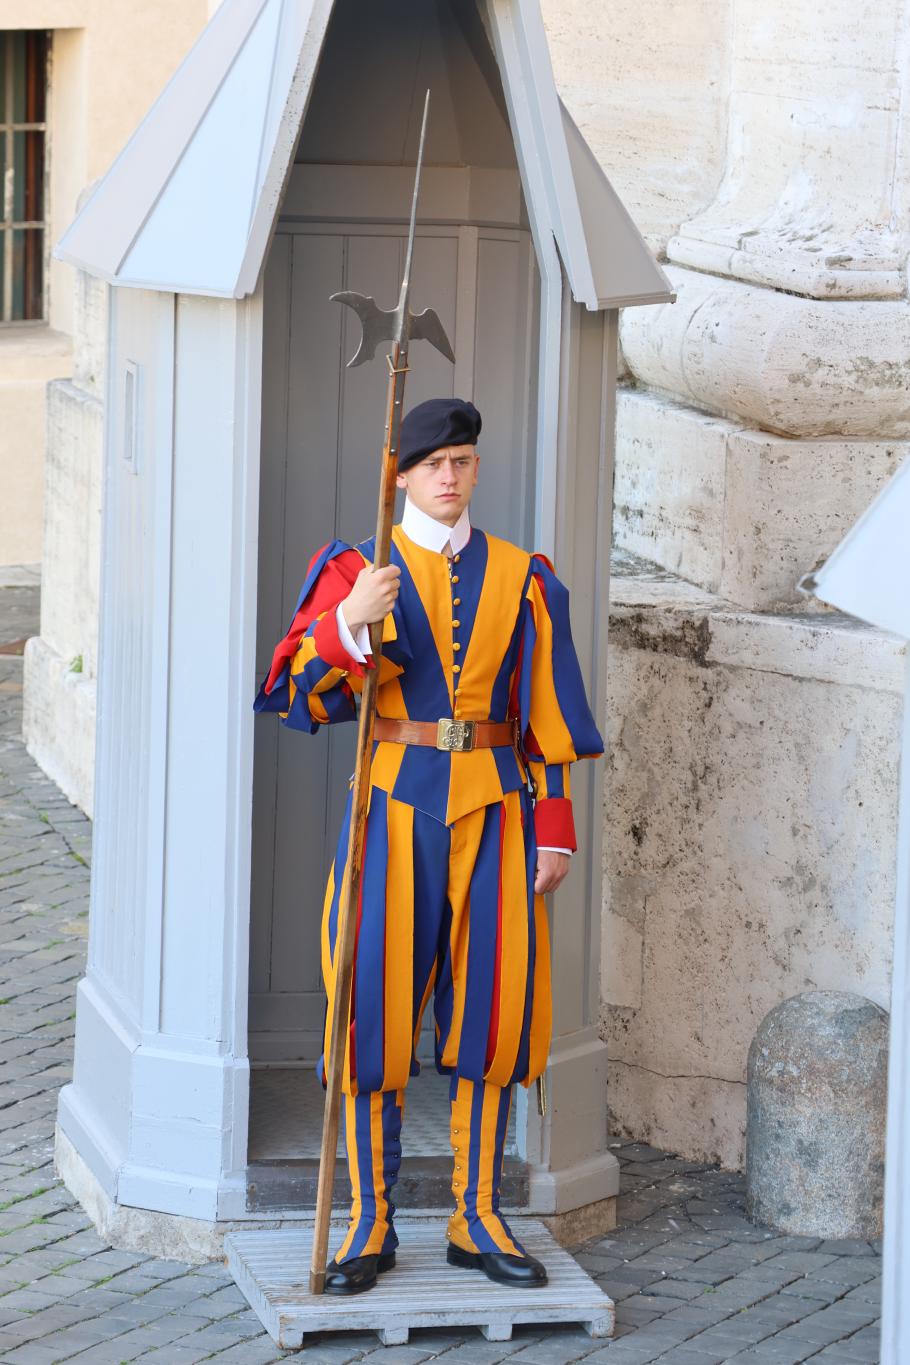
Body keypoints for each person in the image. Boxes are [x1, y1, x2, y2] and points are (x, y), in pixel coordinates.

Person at [254, 397, 603, 1295]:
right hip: (392, 806)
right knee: (371, 1009)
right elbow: (303, 695)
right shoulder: (357, 570)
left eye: (463, 460)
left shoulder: (525, 576)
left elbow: (548, 715)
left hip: (496, 808)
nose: (450, 476)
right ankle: (370, 1221)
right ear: (400, 475)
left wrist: (554, 827)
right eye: (433, 463)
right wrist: (349, 625)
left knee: (494, 1013)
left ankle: (476, 1215)